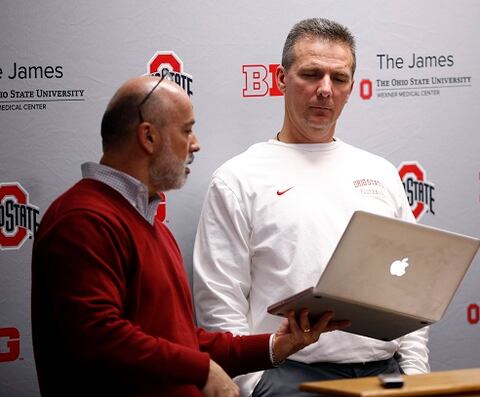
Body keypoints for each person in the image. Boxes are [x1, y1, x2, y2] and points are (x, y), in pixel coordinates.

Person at [31, 74, 346, 397]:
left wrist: (274, 346)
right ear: (148, 137)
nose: (195, 144)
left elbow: (179, 342)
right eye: (186, 130)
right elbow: (97, 339)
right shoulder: (83, 220)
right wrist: (201, 368)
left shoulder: (148, 223)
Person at [193, 17, 430, 397]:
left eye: (339, 79)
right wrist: (253, 384)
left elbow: (410, 289)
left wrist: (415, 372)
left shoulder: (380, 173)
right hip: (289, 378)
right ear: (281, 78)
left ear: (352, 87)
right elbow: (220, 302)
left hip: (387, 375)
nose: (325, 90)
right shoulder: (239, 178)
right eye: (311, 74)